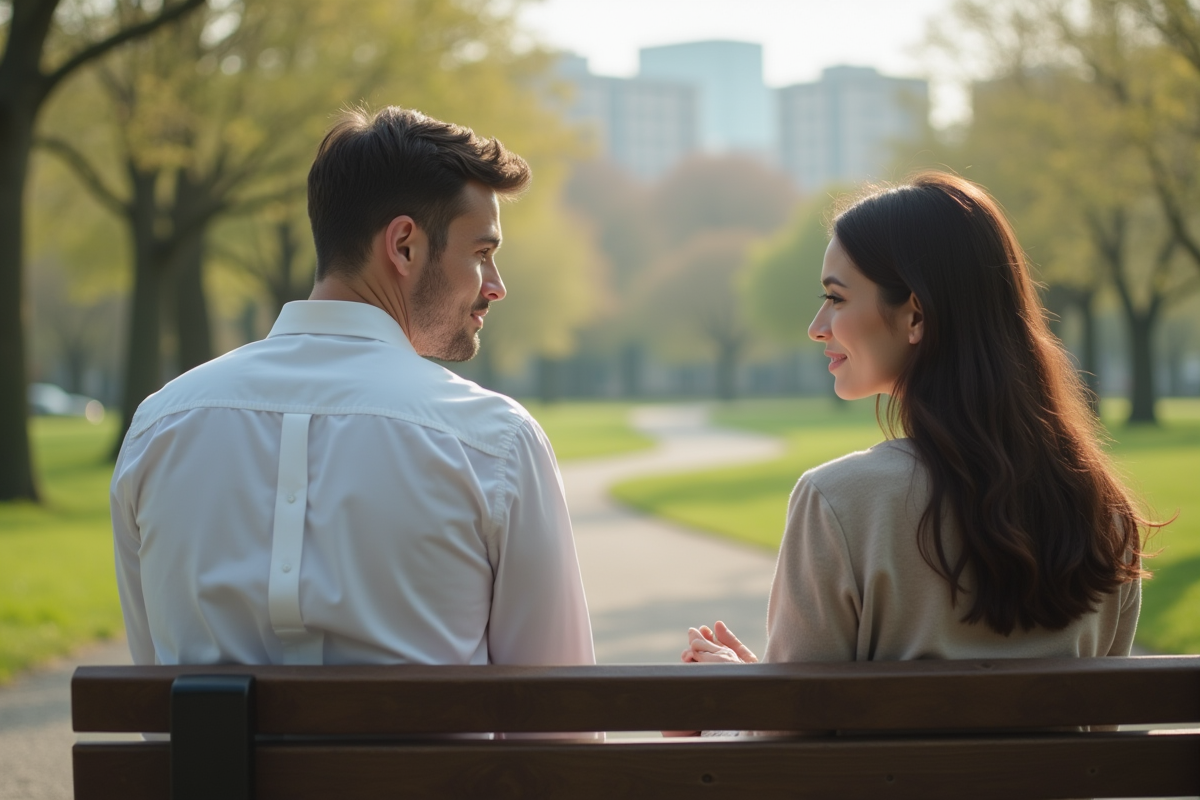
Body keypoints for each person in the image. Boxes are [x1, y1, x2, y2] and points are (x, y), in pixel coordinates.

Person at [111, 106, 595, 671]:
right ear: (404, 246)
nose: (497, 286)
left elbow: (154, 700)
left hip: (208, 766)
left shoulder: (159, 426)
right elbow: (559, 726)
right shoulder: (495, 444)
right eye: (482, 254)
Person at [682, 171, 1150, 675]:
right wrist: (766, 685)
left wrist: (726, 701)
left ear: (915, 316)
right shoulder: (1106, 513)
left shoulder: (839, 502)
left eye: (836, 298)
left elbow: (792, 741)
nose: (817, 329)